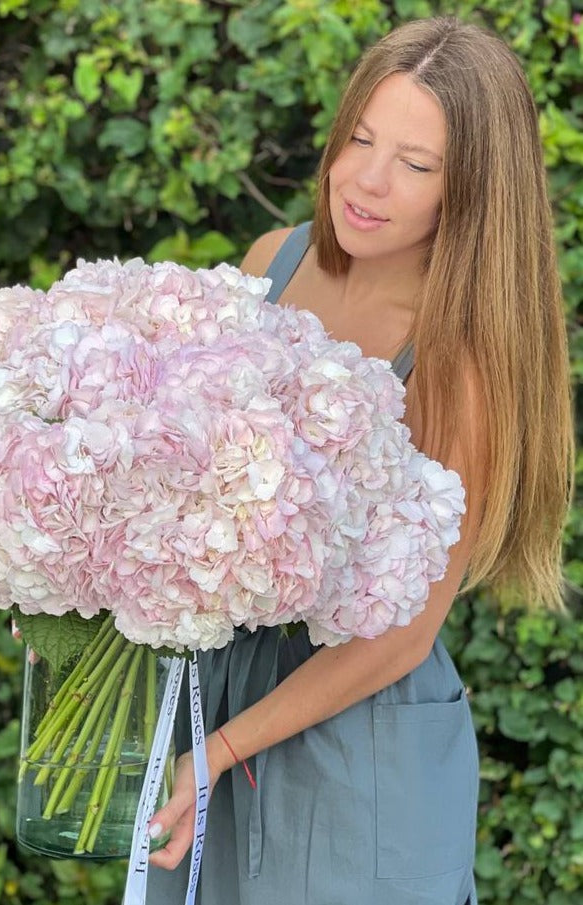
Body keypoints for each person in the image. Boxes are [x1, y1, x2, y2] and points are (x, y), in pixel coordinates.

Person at [145, 16, 574, 905]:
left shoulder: (460, 362)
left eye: (416, 165)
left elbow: (403, 633)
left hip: (354, 739)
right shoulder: (271, 263)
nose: (367, 181)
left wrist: (218, 753)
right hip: (212, 695)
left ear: (473, 193)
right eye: (360, 141)